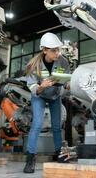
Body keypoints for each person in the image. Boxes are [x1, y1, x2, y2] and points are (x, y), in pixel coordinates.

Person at [23, 32, 70, 173]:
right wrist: (41, 87)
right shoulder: (33, 65)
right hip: (39, 95)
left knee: (57, 126)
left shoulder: (63, 61)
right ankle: (30, 158)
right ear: (44, 50)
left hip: (55, 95)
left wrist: (66, 85)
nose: (57, 53)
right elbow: (31, 87)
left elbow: (65, 79)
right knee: (37, 125)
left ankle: (59, 154)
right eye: (53, 50)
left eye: (58, 49)